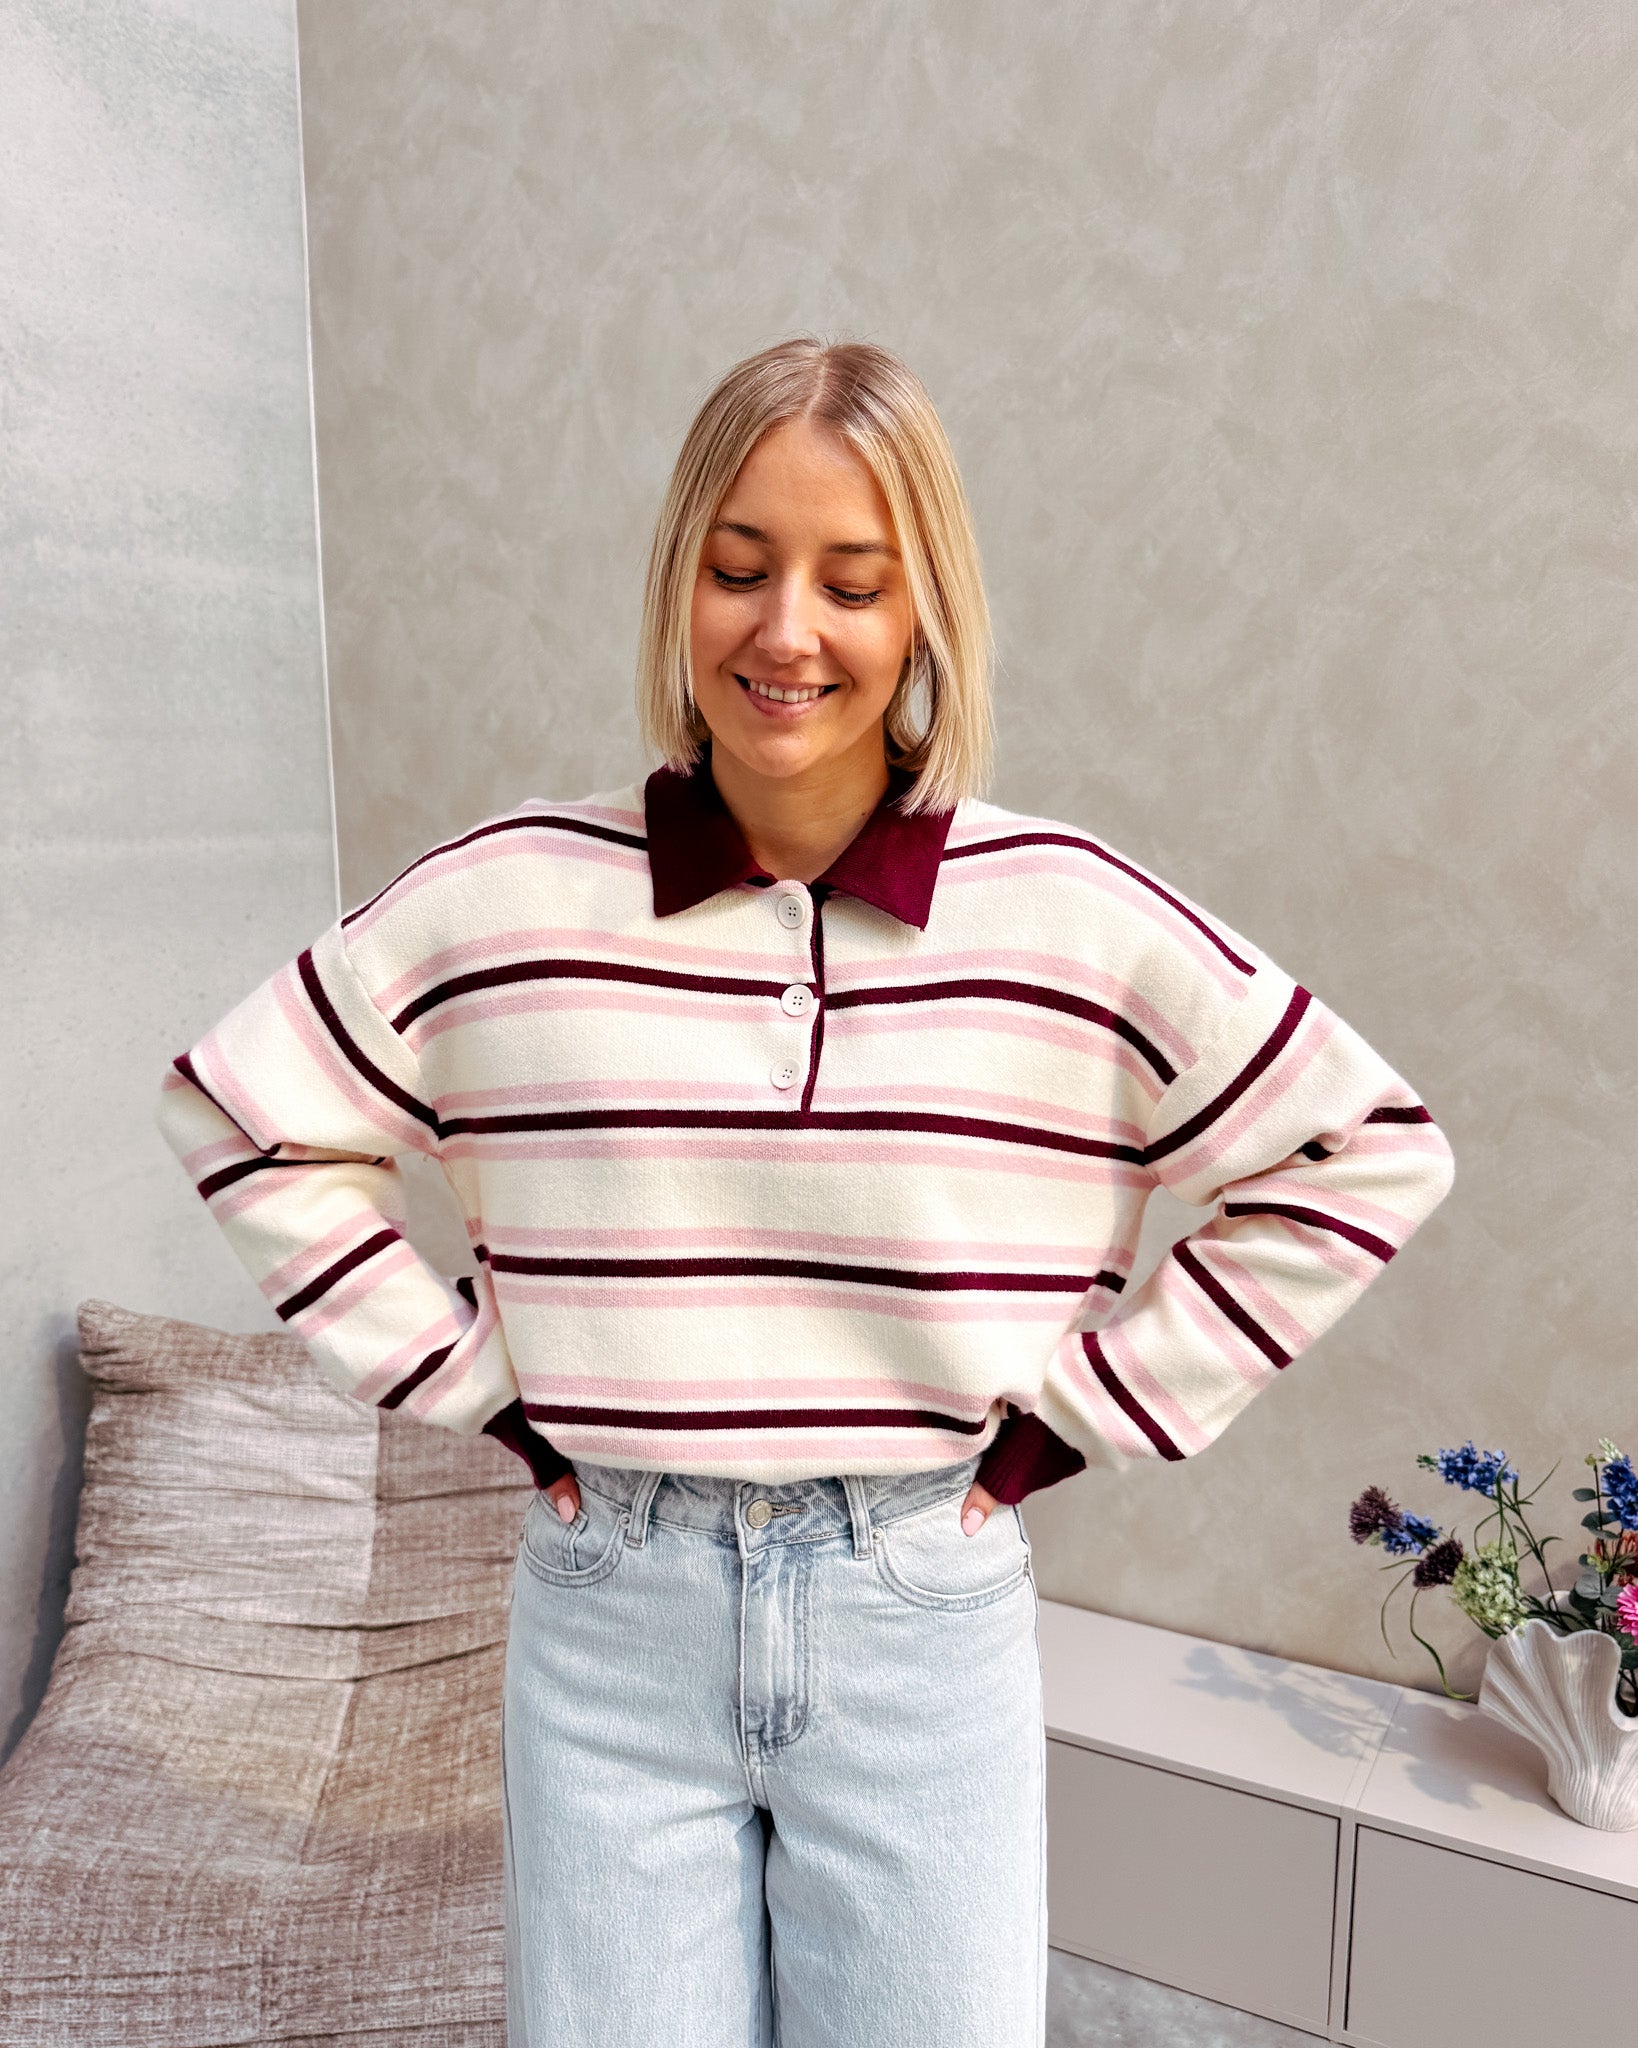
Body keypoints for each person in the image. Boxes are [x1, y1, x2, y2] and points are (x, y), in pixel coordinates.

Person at [157, 336, 1454, 2047]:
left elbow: (1363, 1148)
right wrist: (478, 1388)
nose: (785, 632)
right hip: (610, 1618)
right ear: (676, 582)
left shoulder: (1069, 913)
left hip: (917, 1605)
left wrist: (1074, 1423)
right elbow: (243, 1112)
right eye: (737, 567)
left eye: (852, 583)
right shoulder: (505, 897)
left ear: (925, 615)